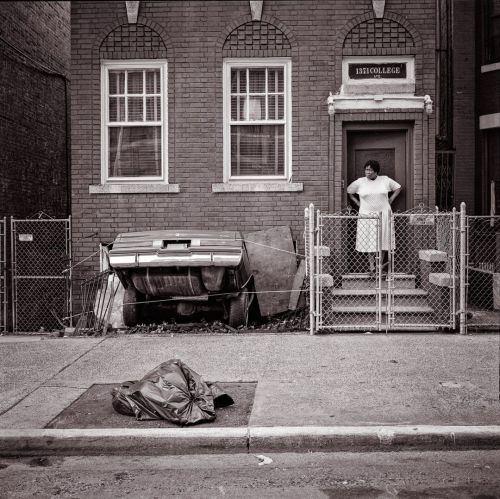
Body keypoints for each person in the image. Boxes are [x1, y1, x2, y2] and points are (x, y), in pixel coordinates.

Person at [346, 159, 402, 275]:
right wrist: (357, 203)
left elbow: (398, 188)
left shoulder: (385, 180)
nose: (367, 172)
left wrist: (391, 199)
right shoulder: (360, 182)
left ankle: (379, 267)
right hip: (366, 216)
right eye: (366, 169)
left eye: (370, 170)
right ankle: (372, 267)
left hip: (384, 214)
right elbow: (349, 191)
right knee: (369, 242)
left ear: (376, 171)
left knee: (383, 240)